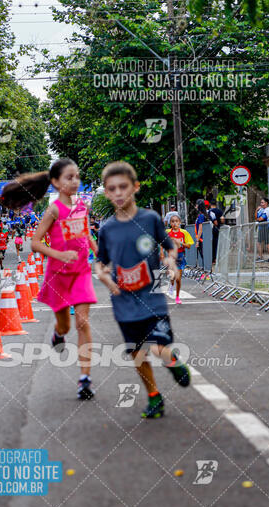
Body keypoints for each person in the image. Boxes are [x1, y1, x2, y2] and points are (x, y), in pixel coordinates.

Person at [95, 161, 190, 419]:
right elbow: (100, 263)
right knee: (137, 353)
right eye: (112, 188)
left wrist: (170, 262)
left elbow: (169, 247)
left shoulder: (150, 219)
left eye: (123, 187)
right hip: (123, 302)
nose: (118, 193)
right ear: (106, 192)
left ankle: (173, 363)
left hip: (152, 297)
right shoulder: (107, 229)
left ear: (135, 187)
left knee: (159, 345)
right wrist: (104, 277)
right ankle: (154, 396)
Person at [1, 158, 98, 400]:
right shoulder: (54, 210)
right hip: (59, 275)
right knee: (66, 326)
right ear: (55, 183)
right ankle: (58, 333)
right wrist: (59, 254)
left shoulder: (83, 207)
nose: (75, 181)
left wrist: (100, 254)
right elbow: (34, 242)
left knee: (83, 323)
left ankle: (84, 378)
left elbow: (86, 233)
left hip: (81, 273)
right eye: (69, 177)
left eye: (77, 176)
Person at [165, 214, 194, 304]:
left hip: (180, 256)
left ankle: (177, 297)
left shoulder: (184, 233)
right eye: (172, 221)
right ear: (170, 223)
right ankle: (171, 284)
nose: (175, 223)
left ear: (180, 223)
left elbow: (189, 246)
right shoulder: (167, 232)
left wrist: (180, 242)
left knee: (178, 278)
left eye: (176, 221)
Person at [208, 199, 223, 265]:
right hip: (218, 229)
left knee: (211, 244)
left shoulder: (209, 212)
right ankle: (216, 258)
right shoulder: (219, 211)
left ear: (210, 205)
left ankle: (212, 259)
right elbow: (222, 220)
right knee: (217, 244)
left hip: (209, 230)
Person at [195, 199, 208, 267]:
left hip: (201, 238)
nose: (195, 206)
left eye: (196, 204)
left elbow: (200, 229)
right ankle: (205, 271)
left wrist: (197, 240)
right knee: (203, 255)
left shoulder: (201, 216)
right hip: (201, 238)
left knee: (204, 255)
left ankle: (206, 272)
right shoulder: (202, 215)